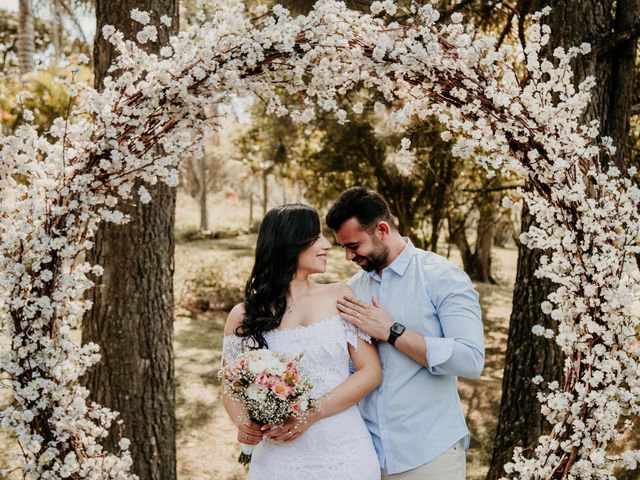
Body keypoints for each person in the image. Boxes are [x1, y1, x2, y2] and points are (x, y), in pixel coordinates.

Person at [327, 187, 485, 480]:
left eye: (354, 245)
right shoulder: (353, 290)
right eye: (343, 248)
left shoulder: (442, 277)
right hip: (366, 455)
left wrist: (392, 331)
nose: (349, 256)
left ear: (382, 229)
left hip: (428, 454)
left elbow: (471, 360)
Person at [221, 203, 382, 480]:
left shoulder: (340, 296)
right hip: (277, 458)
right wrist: (242, 421)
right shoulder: (244, 315)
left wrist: (311, 413)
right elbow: (229, 383)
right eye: (317, 236)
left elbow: (370, 372)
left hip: (344, 454)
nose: (327, 245)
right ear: (290, 243)